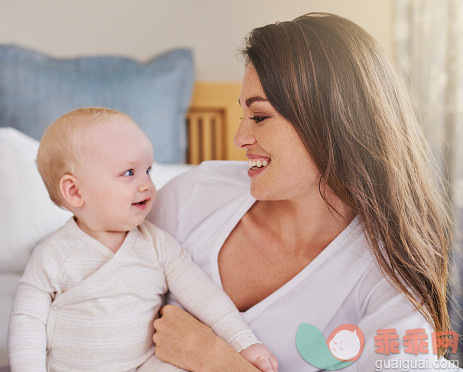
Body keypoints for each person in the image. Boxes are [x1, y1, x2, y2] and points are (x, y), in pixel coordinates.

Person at [147, 12, 462, 372]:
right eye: (243, 116)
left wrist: (216, 360)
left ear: (330, 120)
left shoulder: (388, 277)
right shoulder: (195, 196)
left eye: (260, 117)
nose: (239, 139)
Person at [8, 108, 278, 372]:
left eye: (148, 170)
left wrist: (245, 343)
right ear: (75, 191)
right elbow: (27, 325)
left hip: (145, 364)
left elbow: (205, 298)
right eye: (129, 173)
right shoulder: (52, 255)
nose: (147, 184)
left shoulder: (157, 244)